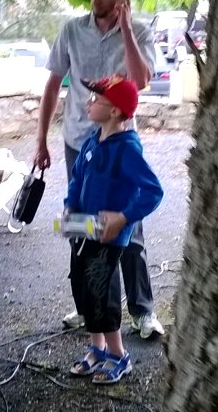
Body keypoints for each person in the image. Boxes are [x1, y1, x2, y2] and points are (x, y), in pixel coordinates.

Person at [34, 0, 165, 337]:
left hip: (119, 142)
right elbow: (53, 85)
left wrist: (127, 30)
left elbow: (141, 81)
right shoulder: (72, 30)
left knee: (127, 228)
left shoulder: (140, 32)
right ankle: (89, 308)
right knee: (81, 226)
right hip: (79, 142)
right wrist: (41, 140)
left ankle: (142, 311)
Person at [65, 75, 163, 384]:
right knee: (83, 286)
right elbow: (77, 178)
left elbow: (153, 191)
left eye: (97, 100)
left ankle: (120, 356)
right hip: (84, 228)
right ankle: (98, 349)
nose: (89, 102)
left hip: (109, 234)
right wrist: (69, 205)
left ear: (116, 111)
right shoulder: (92, 140)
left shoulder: (127, 149)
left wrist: (123, 218)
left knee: (102, 292)